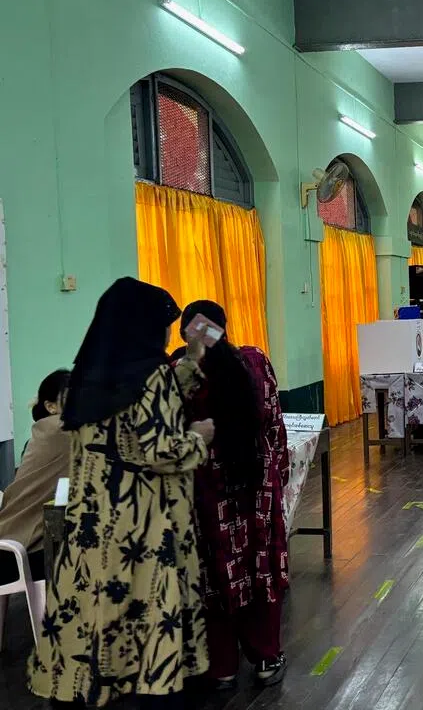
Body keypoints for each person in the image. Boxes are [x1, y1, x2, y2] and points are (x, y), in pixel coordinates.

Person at [28, 278, 214, 709]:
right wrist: (200, 437)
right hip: (143, 527)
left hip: (93, 522)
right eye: (163, 325)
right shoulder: (152, 378)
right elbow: (161, 449)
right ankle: (146, 686)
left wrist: (191, 359)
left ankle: (87, 688)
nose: (167, 334)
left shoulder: (85, 379)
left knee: (94, 606)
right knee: (144, 610)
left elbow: (138, 414)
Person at [171, 301, 290, 690]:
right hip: (257, 488)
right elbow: (274, 425)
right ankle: (266, 656)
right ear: (224, 327)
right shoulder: (254, 361)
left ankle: (220, 667)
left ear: (186, 334)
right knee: (260, 573)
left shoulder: (180, 375)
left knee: (213, 577)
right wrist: (278, 477)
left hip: (205, 494)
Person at [0, 370, 71, 587]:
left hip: (12, 540)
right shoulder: (61, 431)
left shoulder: (43, 432)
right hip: (24, 551)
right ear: (51, 407)